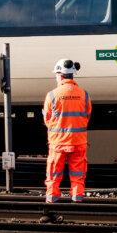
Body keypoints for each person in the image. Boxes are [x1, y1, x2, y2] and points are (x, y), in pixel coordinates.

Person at [43, 58, 92, 203]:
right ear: (72, 75)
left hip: (58, 142)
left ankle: (52, 197)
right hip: (78, 141)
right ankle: (77, 197)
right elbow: (86, 116)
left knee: (54, 171)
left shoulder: (52, 95)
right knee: (78, 172)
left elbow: (47, 119)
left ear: (60, 75)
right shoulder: (84, 95)